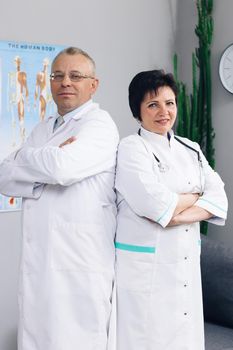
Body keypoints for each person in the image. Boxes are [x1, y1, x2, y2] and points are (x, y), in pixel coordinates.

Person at [0, 47, 119, 350]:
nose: (66, 81)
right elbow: (4, 177)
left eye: (75, 75)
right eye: (58, 75)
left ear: (93, 85)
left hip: (78, 267)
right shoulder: (42, 129)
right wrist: (44, 168)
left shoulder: (100, 126)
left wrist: (26, 162)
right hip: (39, 268)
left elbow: (63, 168)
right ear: (49, 83)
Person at [114, 70, 228, 350]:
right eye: (153, 105)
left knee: (185, 340)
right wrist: (197, 197)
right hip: (147, 272)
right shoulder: (131, 149)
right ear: (137, 111)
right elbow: (155, 204)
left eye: (170, 103)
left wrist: (177, 212)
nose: (164, 112)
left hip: (185, 266)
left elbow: (219, 198)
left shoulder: (191, 149)